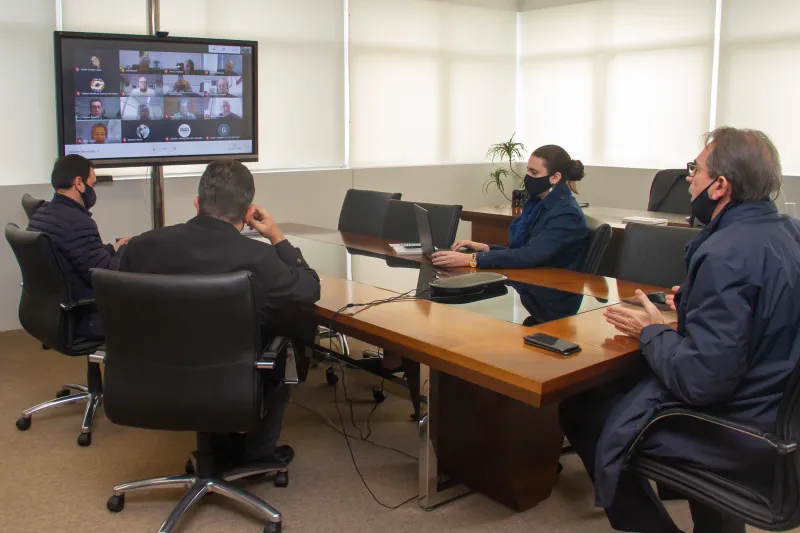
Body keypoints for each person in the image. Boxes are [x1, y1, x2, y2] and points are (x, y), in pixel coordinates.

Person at [560, 127, 800, 533]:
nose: (688, 178)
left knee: (584, 409)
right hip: (777, 409)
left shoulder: (726, 255)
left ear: (720, 186)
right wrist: (693, 300)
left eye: (696, 169)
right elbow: (763, 306)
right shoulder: (788, 231)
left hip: (741, 426)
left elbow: (700, 381)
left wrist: (651, 331)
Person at [120, 160, 321, 469]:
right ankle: (258, 453)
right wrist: (277, 237)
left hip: (151, 383)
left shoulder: (141, 247)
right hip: (234, 388)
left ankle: (214, 448)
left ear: (197, 203)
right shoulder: (260, 258)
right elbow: (308, 289)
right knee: (287, 337)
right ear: (247, 213)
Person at [431, 144, 589, 270]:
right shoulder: (537, 203)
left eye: (534, 172)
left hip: (554, 294)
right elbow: (522, 251)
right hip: (534, 280)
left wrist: (471, 259)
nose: (528, 177)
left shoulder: (567, 214)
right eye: (528, 170)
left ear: (555, 177)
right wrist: (485, 248)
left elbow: (530, 255)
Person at [27, 155, 130, 339]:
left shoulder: (43, 213)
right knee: (155, 310)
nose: (93, 190)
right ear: (79, 183)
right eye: (93, 183)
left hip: (51, 313)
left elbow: (81, 255)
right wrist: (125, 249)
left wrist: (112, 249)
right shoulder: (78, 222)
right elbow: (107, 275)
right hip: (85, 316)